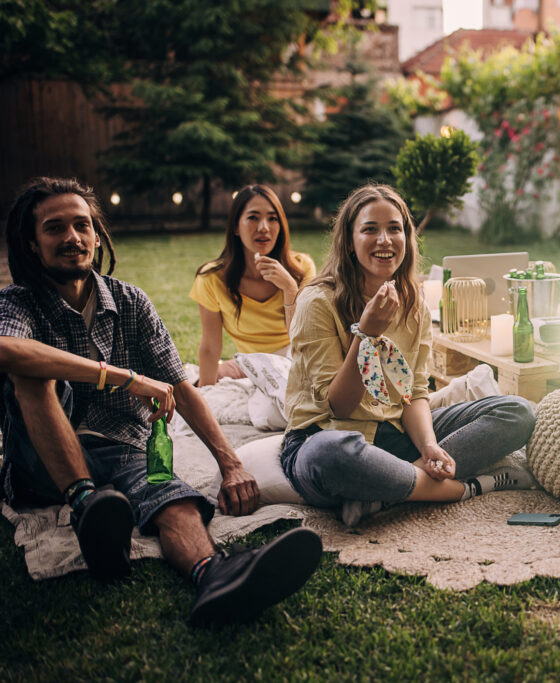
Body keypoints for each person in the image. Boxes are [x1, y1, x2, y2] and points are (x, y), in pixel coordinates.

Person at [0, 177, 321, 625]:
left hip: (124, 446)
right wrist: (124, 377)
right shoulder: (17, 302)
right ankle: (86, 504)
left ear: (96, 234)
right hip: (41, 463)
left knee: (173, 496)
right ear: (33, 244)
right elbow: (8, 349)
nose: (72, 238)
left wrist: (230, 464)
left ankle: (215, 575)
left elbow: (181, 386)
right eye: (55, 228)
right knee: (34, 374)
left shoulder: (131, 301)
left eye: (82, 225)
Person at [280, 184, 536, 526]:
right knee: (328, 456)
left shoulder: (413, 303)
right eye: (370, 229)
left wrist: (429, 446)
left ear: (407, 238)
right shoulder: (317, 302)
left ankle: (386, 490)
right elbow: (338, 405)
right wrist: (366, 334)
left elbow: (414, 393)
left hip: (396, 433)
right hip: (328, 434)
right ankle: (462, 489)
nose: (384, 240)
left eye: (394, 229)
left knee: (516, 412)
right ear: (349, 241)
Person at [190, 185, 315, 386]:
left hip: (299, 357)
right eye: (253, 218)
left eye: (272, 218)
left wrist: (290, 288)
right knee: (210, 380)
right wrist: (206, 393)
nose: (264, 227)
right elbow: (210, 347)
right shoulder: (212, 278)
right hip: (253, 363)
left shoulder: (302, 268)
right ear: (235, 227)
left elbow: (304, 338)